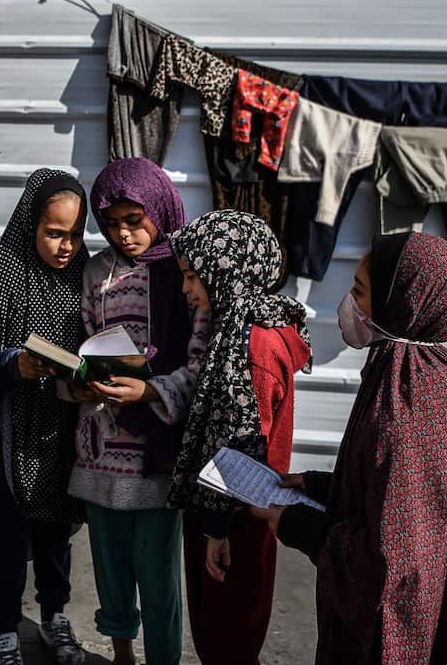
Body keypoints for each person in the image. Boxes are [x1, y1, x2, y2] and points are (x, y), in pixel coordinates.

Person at [255, 231, 447, 665]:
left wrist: (297, 525)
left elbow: (393, 563)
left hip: (399, 640)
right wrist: (322, 486)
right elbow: (412, 500)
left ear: (404, 302)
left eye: (359, 290)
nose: (347, 303)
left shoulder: (405, 409)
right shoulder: (445, 379)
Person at [71, 158, 209, 665]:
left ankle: (163, 657)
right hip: (102, 444)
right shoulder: (95, 271)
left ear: (161, 208)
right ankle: (122, 653)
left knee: (157, 573)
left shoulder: (184, 273)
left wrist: (149, 393)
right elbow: (84, 344)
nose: (125, 234)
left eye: (135, 220)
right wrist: (80, 384)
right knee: (110, 566)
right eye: (111, 224)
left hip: (156, 447)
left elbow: (199, 363)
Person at [167, 209, 312, 665]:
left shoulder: (251, 342)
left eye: (193, 277)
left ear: (224, 271)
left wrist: (216, 528)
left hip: (239, 517)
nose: (187, 289)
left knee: (227, 632)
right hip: (242, 511)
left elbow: (242, 444)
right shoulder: (247, 326)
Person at [0, 169, 91, 665]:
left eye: (75, 233)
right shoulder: (2, 276)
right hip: (10, 428)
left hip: (61, 427)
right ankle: (2, 626)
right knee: (7, 533)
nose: (65, 246)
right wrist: (12, 362)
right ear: (29, 225)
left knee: (55, 532)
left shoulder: (86, 276)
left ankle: (54, 615)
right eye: (54, 232)